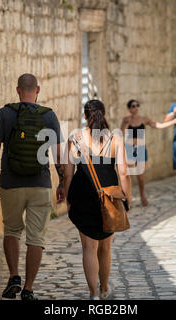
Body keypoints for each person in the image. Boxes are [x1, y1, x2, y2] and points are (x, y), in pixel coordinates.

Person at [0, 73, 65, 300]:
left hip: (11, 183)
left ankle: (13, 276)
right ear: (37, 90)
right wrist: (62, 183)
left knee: (11, 230)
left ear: (18, 90)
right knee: (36, 238)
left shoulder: (5, 113)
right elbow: (58, 154)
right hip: (41, 185)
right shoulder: (49, 117)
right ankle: (28, 289)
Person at [64, 100, 132, 300]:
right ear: (104, 114)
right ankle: (103, 288)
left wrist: (68, 199)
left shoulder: (75, 138)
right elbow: (124, 173)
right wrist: (127, 200)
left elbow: (68, 175)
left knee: (88, 247)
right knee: (105, 246)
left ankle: (92, 292)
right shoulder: (115, 138)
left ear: (85, 116)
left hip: (82, 196)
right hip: (109, 197)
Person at [120, 99, 176, 206]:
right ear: (129, 108)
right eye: (133, 106)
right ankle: (129, 199)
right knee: (129, 175)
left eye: (137, 105)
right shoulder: (126, 120)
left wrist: (173, 121)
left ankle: (142, 196)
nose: (136, 108)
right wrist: (126, 123)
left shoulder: (144, 119)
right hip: (129, 147)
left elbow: (158, 125)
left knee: (140, 176)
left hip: (141, 148)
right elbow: (121, 133)